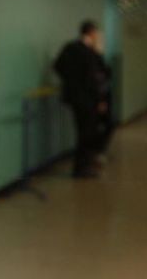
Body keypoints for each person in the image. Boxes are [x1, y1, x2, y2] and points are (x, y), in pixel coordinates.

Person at [54, 20, 110, 178]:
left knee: (84, 132)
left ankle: (84, 165)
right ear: (91, 33)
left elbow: (58, 66)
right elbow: (97, 77)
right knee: (87, 133)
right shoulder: (90, 52)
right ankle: (82, 167)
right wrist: (99, 99)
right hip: (88, 99)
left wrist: (71, 83)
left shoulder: (70, 48)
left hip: (75, 98)